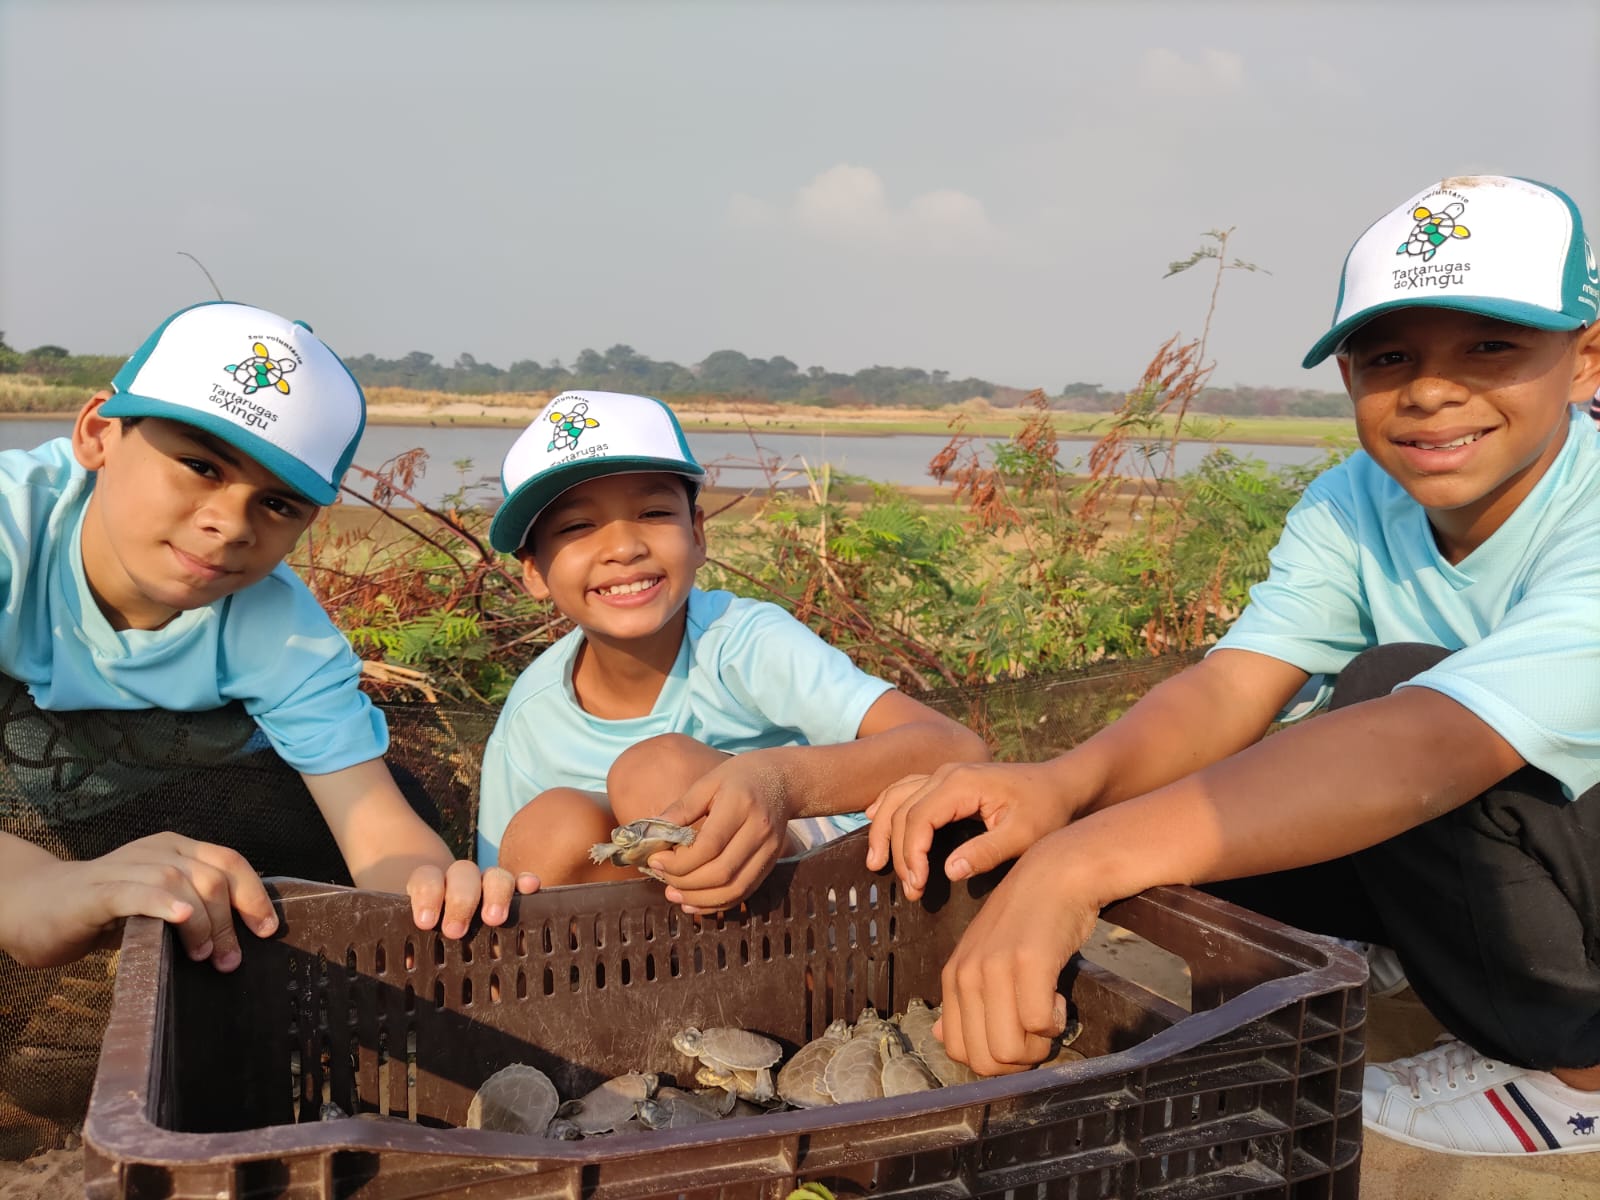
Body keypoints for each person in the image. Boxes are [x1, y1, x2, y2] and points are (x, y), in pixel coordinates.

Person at [868, 175, 1600, 1157]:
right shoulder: (1352, 502)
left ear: (1584, 361)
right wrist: (1063, 788)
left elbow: (1426, 744)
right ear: (1347, 377)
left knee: (1386, 696)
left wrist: (1075, 865)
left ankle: (1574, 1074)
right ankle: (1417, 954)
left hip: (1549, 813)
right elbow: (1231, 683)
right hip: (1508, 823)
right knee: (1211, 794)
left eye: (1490, 347)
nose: (1429, 388)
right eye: (1389, 356)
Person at [0, 300, 531, 969]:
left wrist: (434, 889)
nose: (230, 523)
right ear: (98, 432)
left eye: (277, 503)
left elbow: (373, 825)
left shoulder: (278, 627)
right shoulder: (11, 533)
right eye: (202, 466)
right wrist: (45, 891)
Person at [477, 389, 987, 910]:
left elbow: (957, 748)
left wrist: (778, 783)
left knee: (658, 772)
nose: (624, 548)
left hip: (827, 904)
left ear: (698, 536)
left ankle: (803, 985)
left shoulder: (745, 640)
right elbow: (500, 874)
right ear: (535, 572)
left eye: (653, 513)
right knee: (553, 824)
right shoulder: (531, 717)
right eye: (578, 527)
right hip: (663, 939)